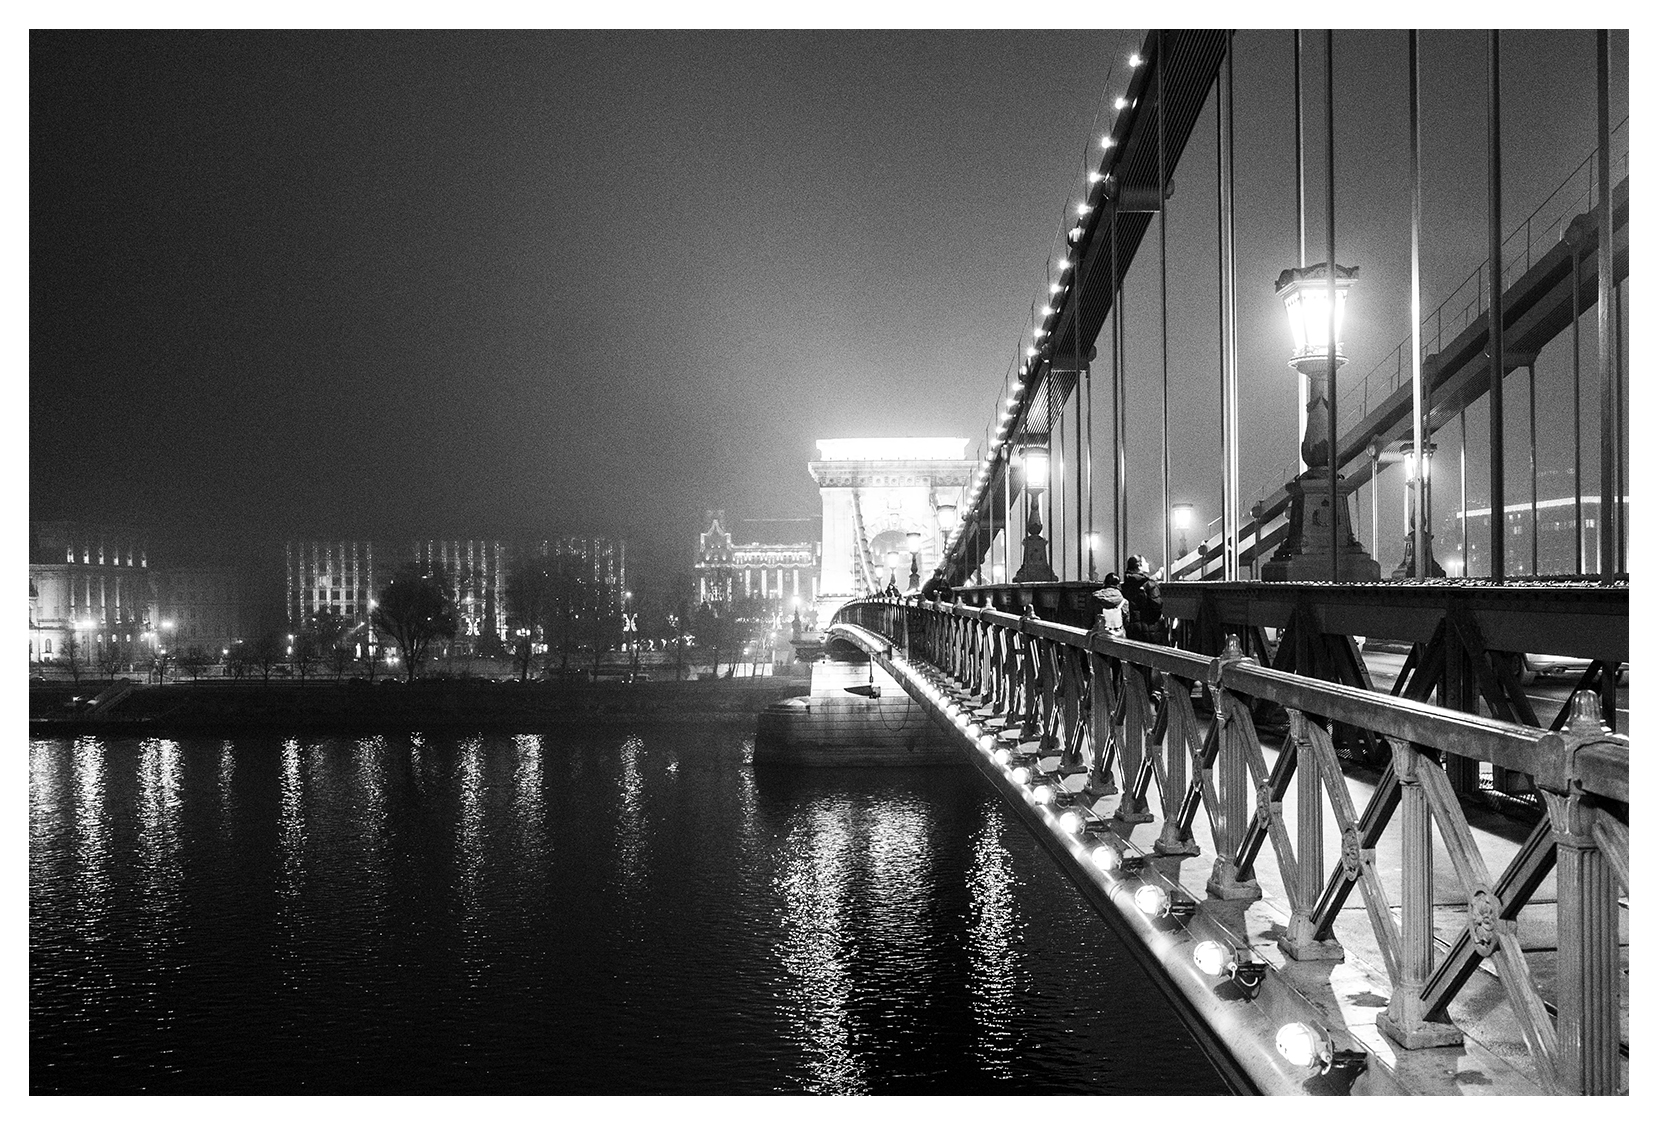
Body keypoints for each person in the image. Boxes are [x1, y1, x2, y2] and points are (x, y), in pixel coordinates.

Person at [1121, 555, 1169, 645]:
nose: (1147, 564)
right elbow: (1157, 605)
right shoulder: (1150, 585)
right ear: (1139, 566)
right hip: (1150, 630)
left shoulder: (1126, 585)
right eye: (1145, 562)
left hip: (1132, 630)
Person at [1091, 573, 1126, 638]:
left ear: (1104, 583)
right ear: (1118, 585)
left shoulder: (1095, 597)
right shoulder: (1123, 601)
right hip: (1118, 637)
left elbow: (1087, 618)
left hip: (1099, 635)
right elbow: (1126, 621)